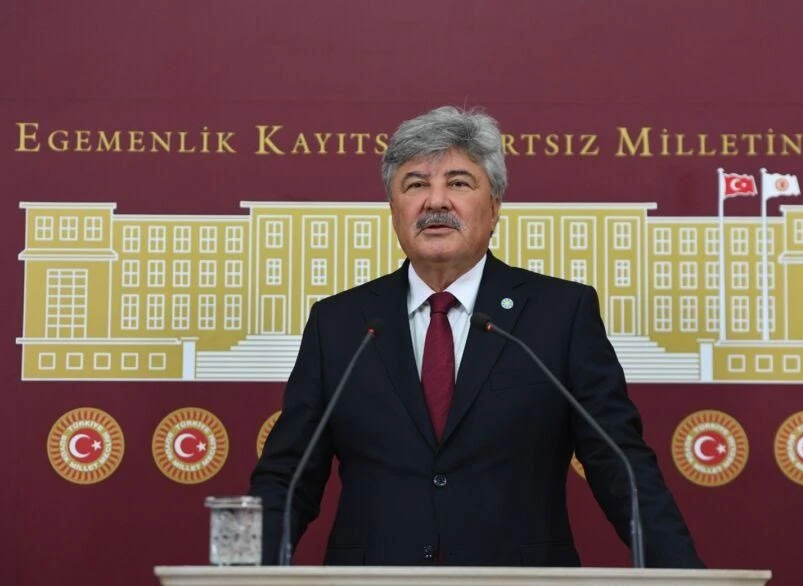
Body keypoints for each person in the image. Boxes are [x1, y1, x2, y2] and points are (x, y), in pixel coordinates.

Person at [250, 106, 703, 568]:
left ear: (495, 207)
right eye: (415, 185)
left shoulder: (559, 315)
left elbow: (621, 467)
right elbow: (287, 479)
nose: (436, 201)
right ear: (393, 210)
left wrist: (685, 576)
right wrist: (243, 573)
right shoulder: (341, 323)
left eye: (459, 183)